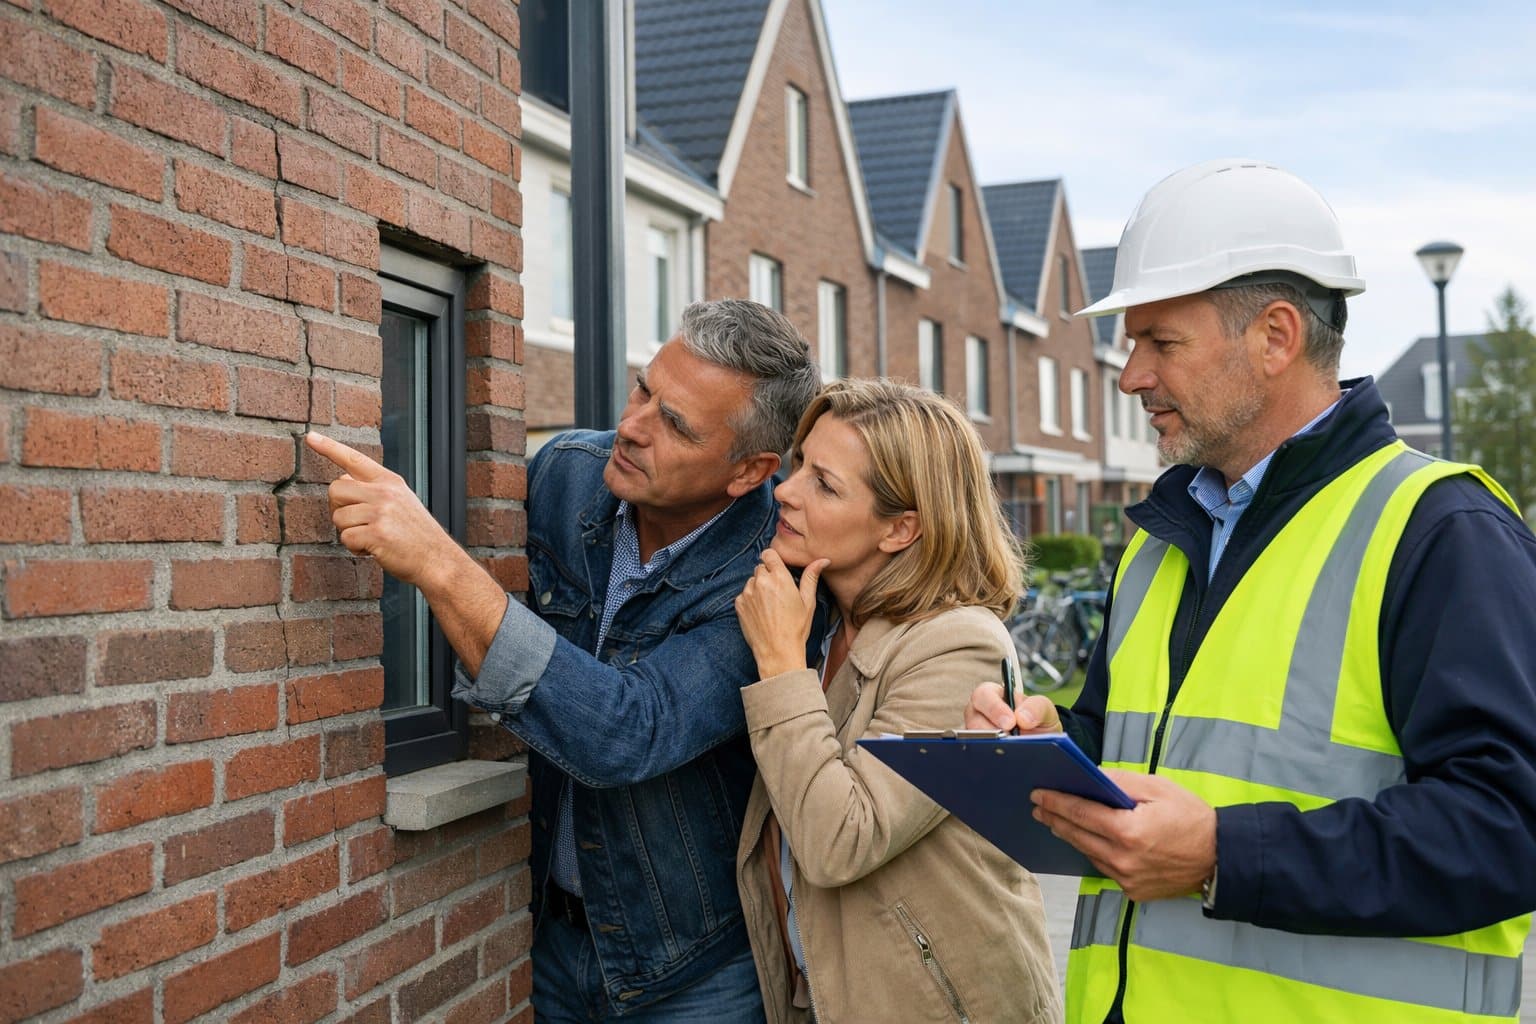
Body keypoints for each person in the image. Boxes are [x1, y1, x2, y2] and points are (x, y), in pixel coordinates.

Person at [966, 158, 1536, 1022]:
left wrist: (1224, 854)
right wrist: (1054, 745)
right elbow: (1154, 749)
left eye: (1162, 343)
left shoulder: (1438, 530)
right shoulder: (1159, 544)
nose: (1131, 379)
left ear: (1275, 337)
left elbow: (1509, 827)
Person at [306, 299, 821, 1021]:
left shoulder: (769, 577)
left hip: (690, 968)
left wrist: (438, 565)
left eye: (675, 425)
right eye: (644, 389)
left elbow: (627, 730)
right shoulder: (566, 474)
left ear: (749, 471)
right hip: (547, 935)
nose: (633, 428)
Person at [733, 379, 1063, 1023]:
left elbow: (838, 838)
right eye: (799, 464)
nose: (786, 490)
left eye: (824, 484)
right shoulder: (818, 622)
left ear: (901, 528)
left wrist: (777, 668)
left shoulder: (957, 645)